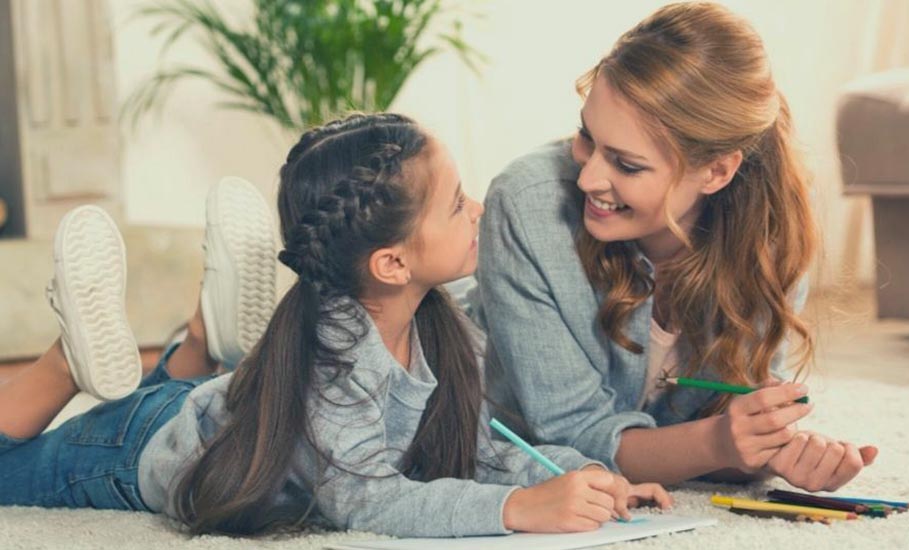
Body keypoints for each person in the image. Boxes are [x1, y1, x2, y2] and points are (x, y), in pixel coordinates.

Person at [0, 114, 671, 537]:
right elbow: (369, 505)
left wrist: (587, 476)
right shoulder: (337, 357)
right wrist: (516, 510)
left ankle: (203, 342)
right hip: (138, 450)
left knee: (196, 394)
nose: (479, 207)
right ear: (392, 261)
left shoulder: (443, 326)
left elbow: (487, 447)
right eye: (454, 203)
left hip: (221, 410)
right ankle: (68, 360)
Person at [473, 2, 878, 493]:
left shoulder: (772, 226)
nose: (587, 177)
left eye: (626, 164)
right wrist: (720, 444)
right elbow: (566, 438)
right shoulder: (526, 205)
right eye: (586, 136)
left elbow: (720, 427)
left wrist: (768, 446)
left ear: (717, 172)